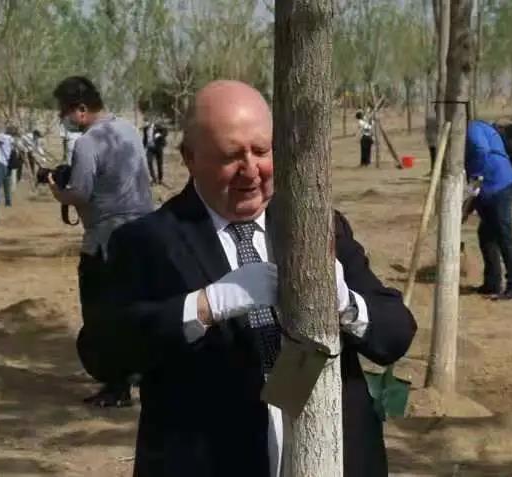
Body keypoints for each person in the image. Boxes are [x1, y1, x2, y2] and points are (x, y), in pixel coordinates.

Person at [79, 80, 417, 476]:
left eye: (261, 151)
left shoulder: (318, 225)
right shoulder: (147, 241)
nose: (251, 170)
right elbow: (102, 353)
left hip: (332, 456)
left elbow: (396, 333)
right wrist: (203, 306)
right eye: (230, 156)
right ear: (190, 158)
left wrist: (347, 304)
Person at [47, 76, 154, 408]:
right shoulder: (128, 131)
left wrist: (57, 191)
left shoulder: (88, 142)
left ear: (80, 109)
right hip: (143, 235)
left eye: (64, 111)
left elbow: (80, 193)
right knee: (135, 309)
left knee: (101, 315)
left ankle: (115, 386)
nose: (63, 118)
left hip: (106, 242)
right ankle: (138, 374)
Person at [466, 120, 512, 300]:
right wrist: (468, 206)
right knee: (486, 234)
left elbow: (481, 150)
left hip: (500, 185)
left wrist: (475, 179)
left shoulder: (473, 128)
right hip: (491, 188)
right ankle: (492, 283)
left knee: (503, 235)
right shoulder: (480, 128)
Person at [0, 124, 17, 206]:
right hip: (8, 164)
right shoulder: (11, 139)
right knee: (7, 184)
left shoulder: (5, 137)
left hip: (2, 163)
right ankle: (8, 202)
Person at [142, 119, 168, 184]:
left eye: (146, 122)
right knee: (149, 162)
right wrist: (143, 147)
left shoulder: (157, 126)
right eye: (145, 122)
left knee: (159, 164)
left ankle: (160, 179)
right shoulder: (145, 129)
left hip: (158, 147)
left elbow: (165, 132)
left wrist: (159, 135)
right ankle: (154, 179)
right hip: (150, 148)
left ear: (150, 122)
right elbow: (145, 138)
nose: (146, 123)